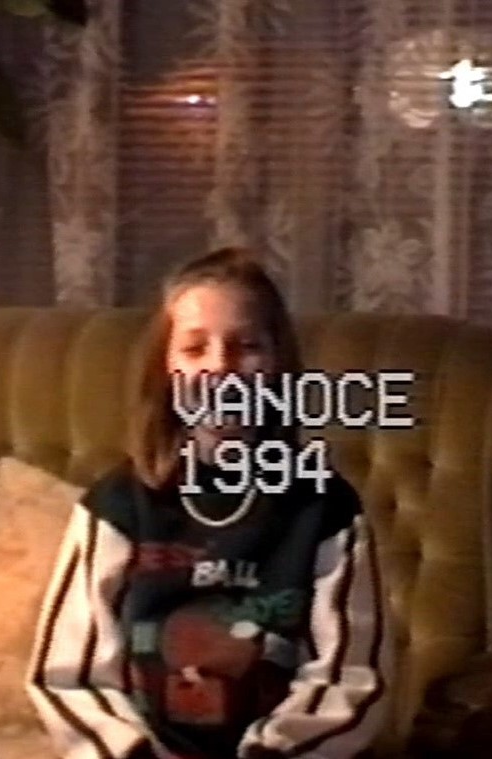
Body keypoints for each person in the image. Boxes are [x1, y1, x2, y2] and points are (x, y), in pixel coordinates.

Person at [26, 248, 389, 759]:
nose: (221, 367)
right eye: (195, 348)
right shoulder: (117, 504)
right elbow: (70, 676)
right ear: (166, 368)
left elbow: (351, 677)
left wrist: (270, 753)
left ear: (278, 364)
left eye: (247, 346)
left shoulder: (325, 507)